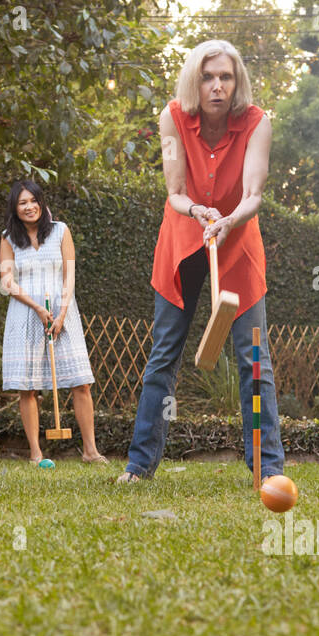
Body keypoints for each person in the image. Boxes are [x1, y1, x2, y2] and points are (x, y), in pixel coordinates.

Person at [118, 40, 284, 484]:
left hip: (237, 243)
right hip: (183, 241)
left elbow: (253, 195)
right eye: (208, 77)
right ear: (195, 80)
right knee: (164, 354)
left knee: (254, 360)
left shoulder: (257, 123)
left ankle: (267, 469)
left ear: (237, 81)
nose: (217, 86)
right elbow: (174, 193)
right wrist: (198, 212)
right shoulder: (172, 118)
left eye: (225, 77)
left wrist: (228, 220)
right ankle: (139, 466)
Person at [0, 180, 105, 464]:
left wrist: (62, 311)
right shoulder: (9, 237)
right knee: (28, 387)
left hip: (62, 312)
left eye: (33, 200)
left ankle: (90, 451)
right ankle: (35, 453)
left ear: (41, 203)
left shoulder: (60, 231)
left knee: (81, 381)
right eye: (22, 203)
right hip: (25, 314)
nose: (29, 207)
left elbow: (69, 274)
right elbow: (7, 281)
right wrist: (35, 307)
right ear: (15, 208)